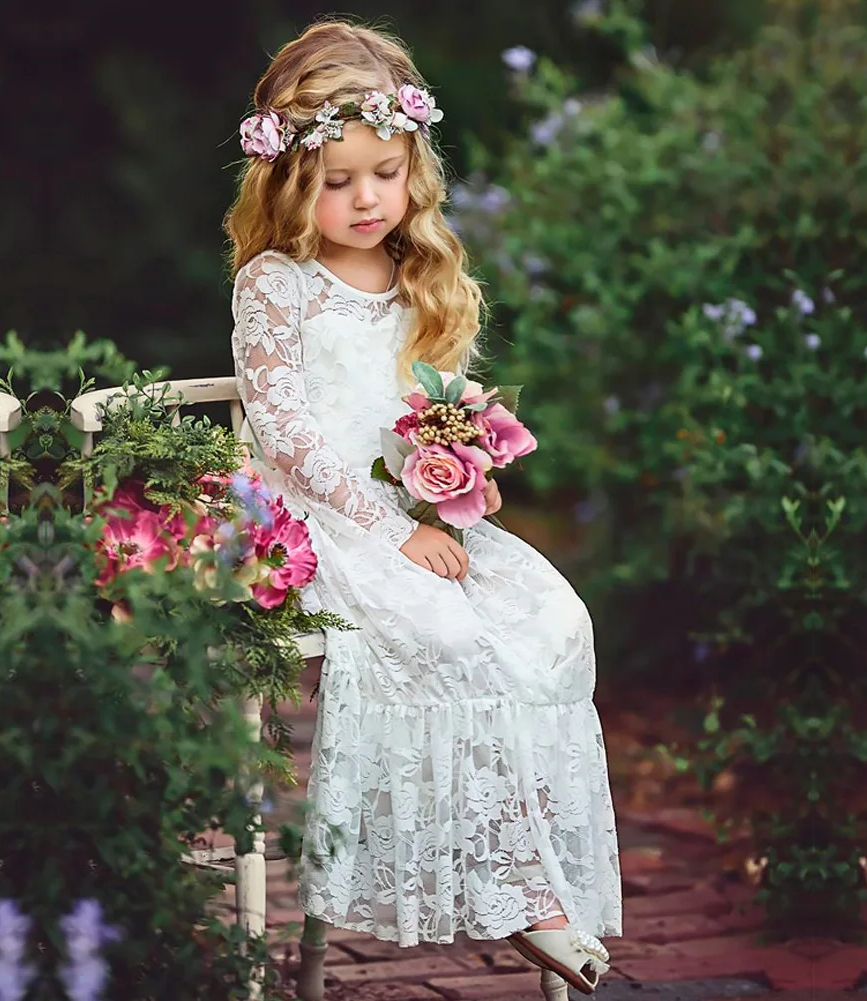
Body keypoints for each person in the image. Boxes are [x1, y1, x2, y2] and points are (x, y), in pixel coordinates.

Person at [224, 18, 621, 993]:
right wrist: (392, 529)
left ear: (413, 167)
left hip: (419, 521)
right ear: (287, 182)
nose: (366, 198)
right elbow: (291, 436)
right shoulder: (277, 286)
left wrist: (454, 469)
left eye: (385, 173)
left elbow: (425, 416)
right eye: (336, 179)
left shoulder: (415, 277)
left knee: (551, 622)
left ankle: (537, 865)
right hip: (320, 523)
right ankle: (526, 896)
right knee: (447, 638)